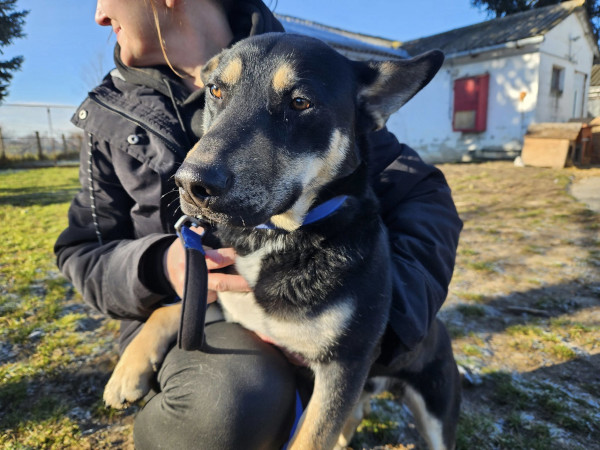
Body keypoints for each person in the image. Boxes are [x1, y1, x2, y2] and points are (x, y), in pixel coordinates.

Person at [54, 0, 463, 448]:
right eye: (218, 93)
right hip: (212, 326)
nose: (98, 14)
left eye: (298, 103)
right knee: (224, 403)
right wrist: (157, 269)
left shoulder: (325, 72)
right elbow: (81, 251)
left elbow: (422, 194)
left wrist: (372, 319)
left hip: (346, 326)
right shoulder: (107, 113)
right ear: (211, 85)